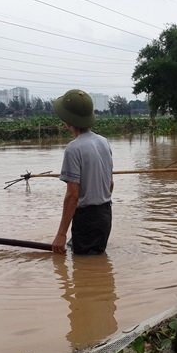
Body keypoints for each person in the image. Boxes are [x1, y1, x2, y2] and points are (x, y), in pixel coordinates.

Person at [52, 89, 114, 255]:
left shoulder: (74, 149)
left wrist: (61, 234)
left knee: (84, 272)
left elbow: (72, 196)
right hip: (105, 215)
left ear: (67, 122)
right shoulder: (104, 142)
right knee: (97, 265)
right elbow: (110, 184)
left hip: (87, 218)